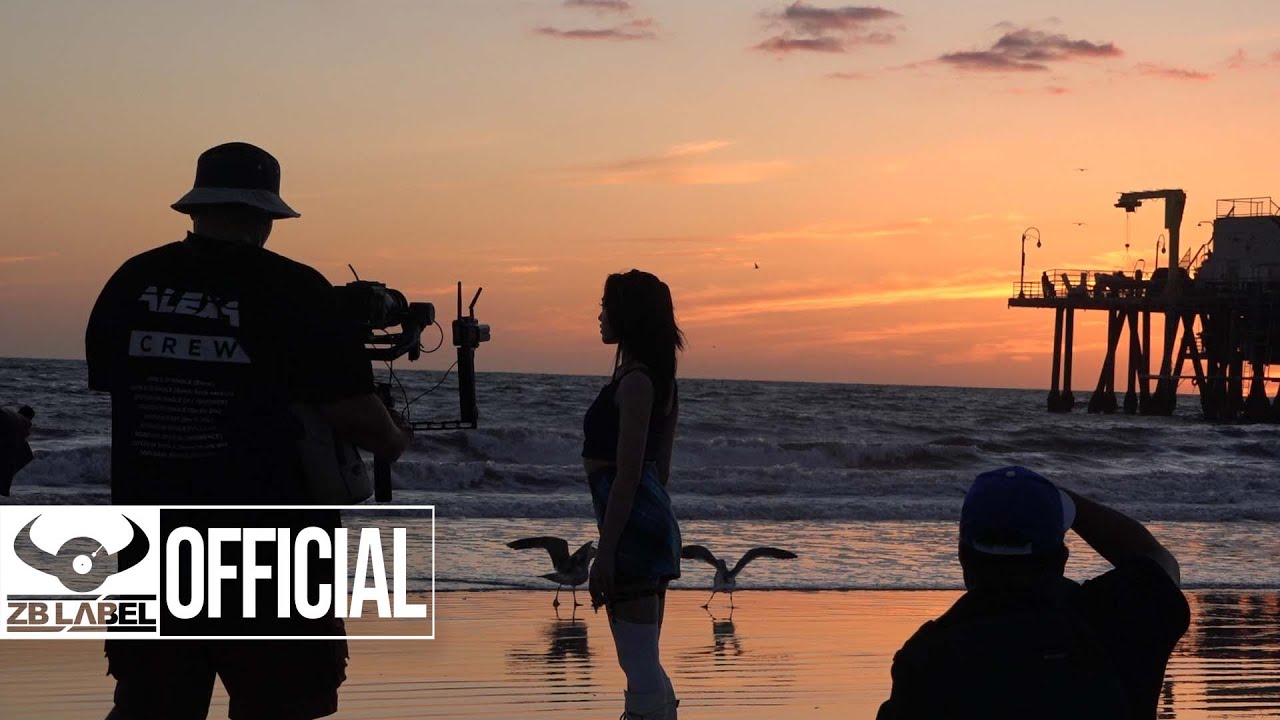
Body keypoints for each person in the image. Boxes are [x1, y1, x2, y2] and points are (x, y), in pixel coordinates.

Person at [86, 142, 412, 720]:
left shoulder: (131, 280)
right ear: (265, 216)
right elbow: (362, 422)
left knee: (149, 705)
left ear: (196, 207)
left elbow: (124, 386)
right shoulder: (294, 290)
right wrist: (396, 435)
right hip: (274, 554)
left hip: (152, 546)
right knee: (283, 704)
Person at [877, 466, 1189, 720]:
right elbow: (1156, 559)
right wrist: (1064, 501)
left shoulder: (930, 656)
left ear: (963, 557)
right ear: (1062, 558)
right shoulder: (1117, 619)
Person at [583, 270, 685, 719]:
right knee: (643, 659)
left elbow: (629, 475)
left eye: (606, 306)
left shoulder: (637, 383)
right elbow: (660, 471)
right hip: (647, 523)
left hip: (634, 532)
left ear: (628, 315)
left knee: (638, 663)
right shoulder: (654, 380)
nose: (600, 315)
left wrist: (607, 552)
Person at [0, 405, 34, 495]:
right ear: (29, 417)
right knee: (25, 455)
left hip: (3, 417)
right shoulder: (25, 421)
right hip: (5, 423)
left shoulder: (13, 414)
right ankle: (3, 487)